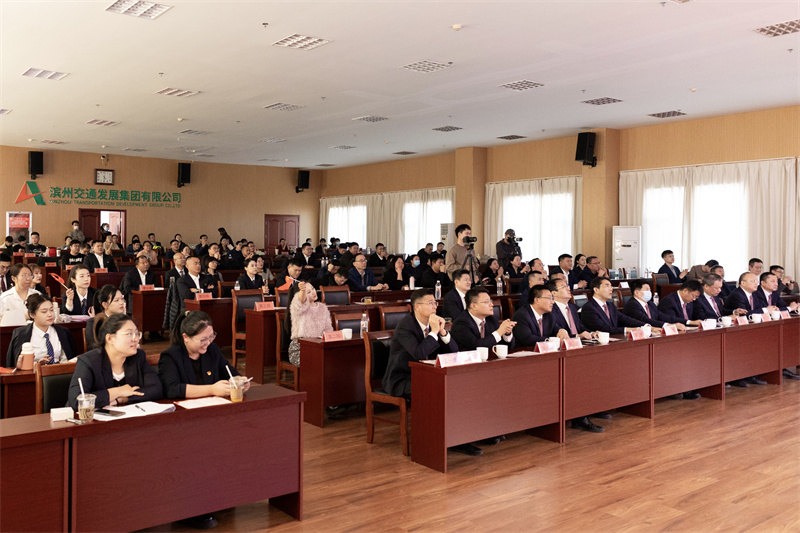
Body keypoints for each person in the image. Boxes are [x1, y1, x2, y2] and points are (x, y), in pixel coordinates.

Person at [448, 286, 515, 455]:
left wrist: (507, 334)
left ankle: (487, 431)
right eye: (486, 302)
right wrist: (499, 332)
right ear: (473, 305)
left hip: (484, 370)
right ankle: (462, 439)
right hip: (462, 372)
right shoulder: (461, 323)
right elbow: (476, 347)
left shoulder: (491, 320)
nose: (492, 305)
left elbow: (508, 345)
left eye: (491, 301)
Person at [67, 314, 162, 410]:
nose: (136, 339)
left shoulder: (138, 357)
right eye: (129, 334)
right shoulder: (89, 361)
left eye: (137, 334)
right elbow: (76, 400)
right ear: (110, 338)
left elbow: (156, 389)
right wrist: (118, 391)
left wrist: (123, 399)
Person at [382, 289, 457, 400]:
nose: (435, 307)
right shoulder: (405, 326)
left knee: (454, 382)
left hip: (428, 374)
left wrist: (443, 332)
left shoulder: (433, 324)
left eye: (435, 303)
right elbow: (419, 353)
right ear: (417, 306)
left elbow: (454, 352)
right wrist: (434, 332)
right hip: (403, 378)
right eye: (430, 303)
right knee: (434, 386)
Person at [159, 310, 247, 400]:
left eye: (211, 337)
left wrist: (240, 381)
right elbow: (172, 389)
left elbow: (230, 374)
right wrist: (211, 389)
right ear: (186, 337)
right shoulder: (170, 356)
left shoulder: (212, 350)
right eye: (203, 339)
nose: (208, 342)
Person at [6, 294, 76, 367]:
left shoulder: (63, 332)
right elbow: (14, 365)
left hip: (59, 372)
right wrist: (37, 365)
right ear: (32, 315)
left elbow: (68, 359)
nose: (50, 314)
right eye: (44, 312)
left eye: (51, 310)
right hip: (32, 372)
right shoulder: (21, 334)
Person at [579, 277, 647, 334]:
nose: (611, 289)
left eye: (611, 286)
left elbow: (625, 319)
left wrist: (645, 326)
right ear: (596, 290)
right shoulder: (589, 308)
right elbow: (602, 329)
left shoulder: (610, 305)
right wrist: (627, 330)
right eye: (607, 286)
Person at [288, 281, 332, 366]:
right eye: (308, 292)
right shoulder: (297, 307)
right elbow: (300, 301)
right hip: (300, 347)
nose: (313, 292)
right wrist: (302, 291)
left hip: (319, 346)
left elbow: (328, 329)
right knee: (317, 362)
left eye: (313, 289)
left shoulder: (323, 307)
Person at [85, 284, 128, 349]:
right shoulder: (94, 322)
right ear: (105, 305)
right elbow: (93, 347)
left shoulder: (125, 321)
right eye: (116, 300)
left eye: (122, 299)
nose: (121, 303)